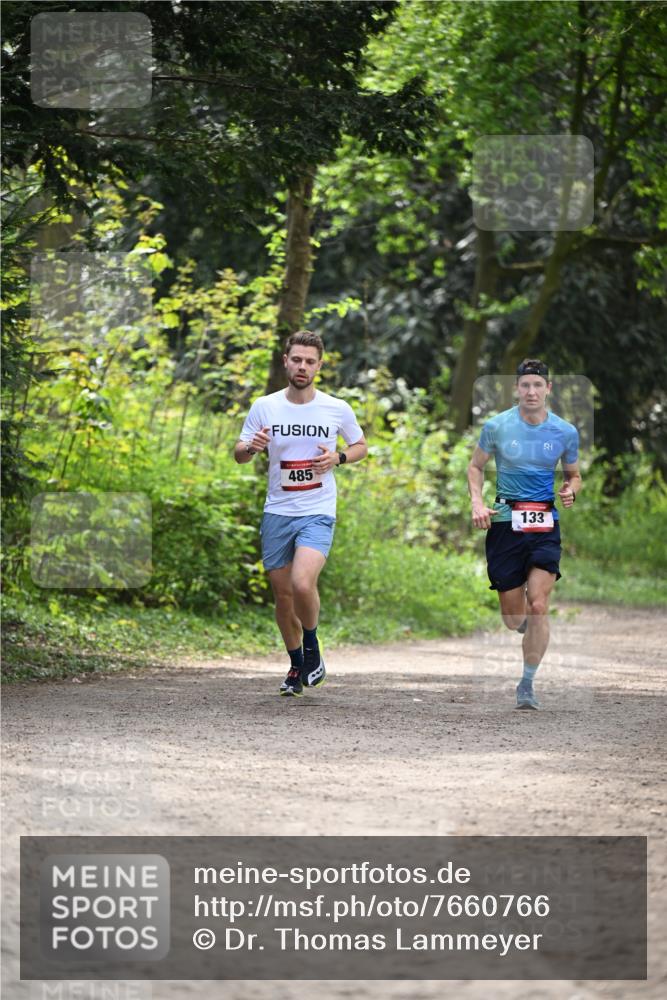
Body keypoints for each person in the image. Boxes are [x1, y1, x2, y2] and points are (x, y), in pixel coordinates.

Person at [234, 331, 368, 697]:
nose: (302, 366)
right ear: (286, 361)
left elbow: (360, 445)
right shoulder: (265, 406)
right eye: (297, 360)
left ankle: (312, 645)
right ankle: (297, 665)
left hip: (317, 509)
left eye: (310, 361)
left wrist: (338, 458)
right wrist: (252, 447)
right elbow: (240, 453)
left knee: (302, 584)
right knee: (283, 596)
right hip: (277, 510)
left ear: (319, 366)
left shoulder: (336, 408)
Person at [467, 359, 582, 710]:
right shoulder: (497, 426)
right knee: (513, 618)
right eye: (525, 385)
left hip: (545, 522)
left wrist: (571, 490)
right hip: (505, 522)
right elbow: (475, 466)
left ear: (548, 389)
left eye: (538, 385)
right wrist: (477, 503)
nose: (531, 391)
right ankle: (523, 626)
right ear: (517, 389)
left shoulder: (564, 431)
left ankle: (527, 684)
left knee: (538, 605)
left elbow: (574, 474)